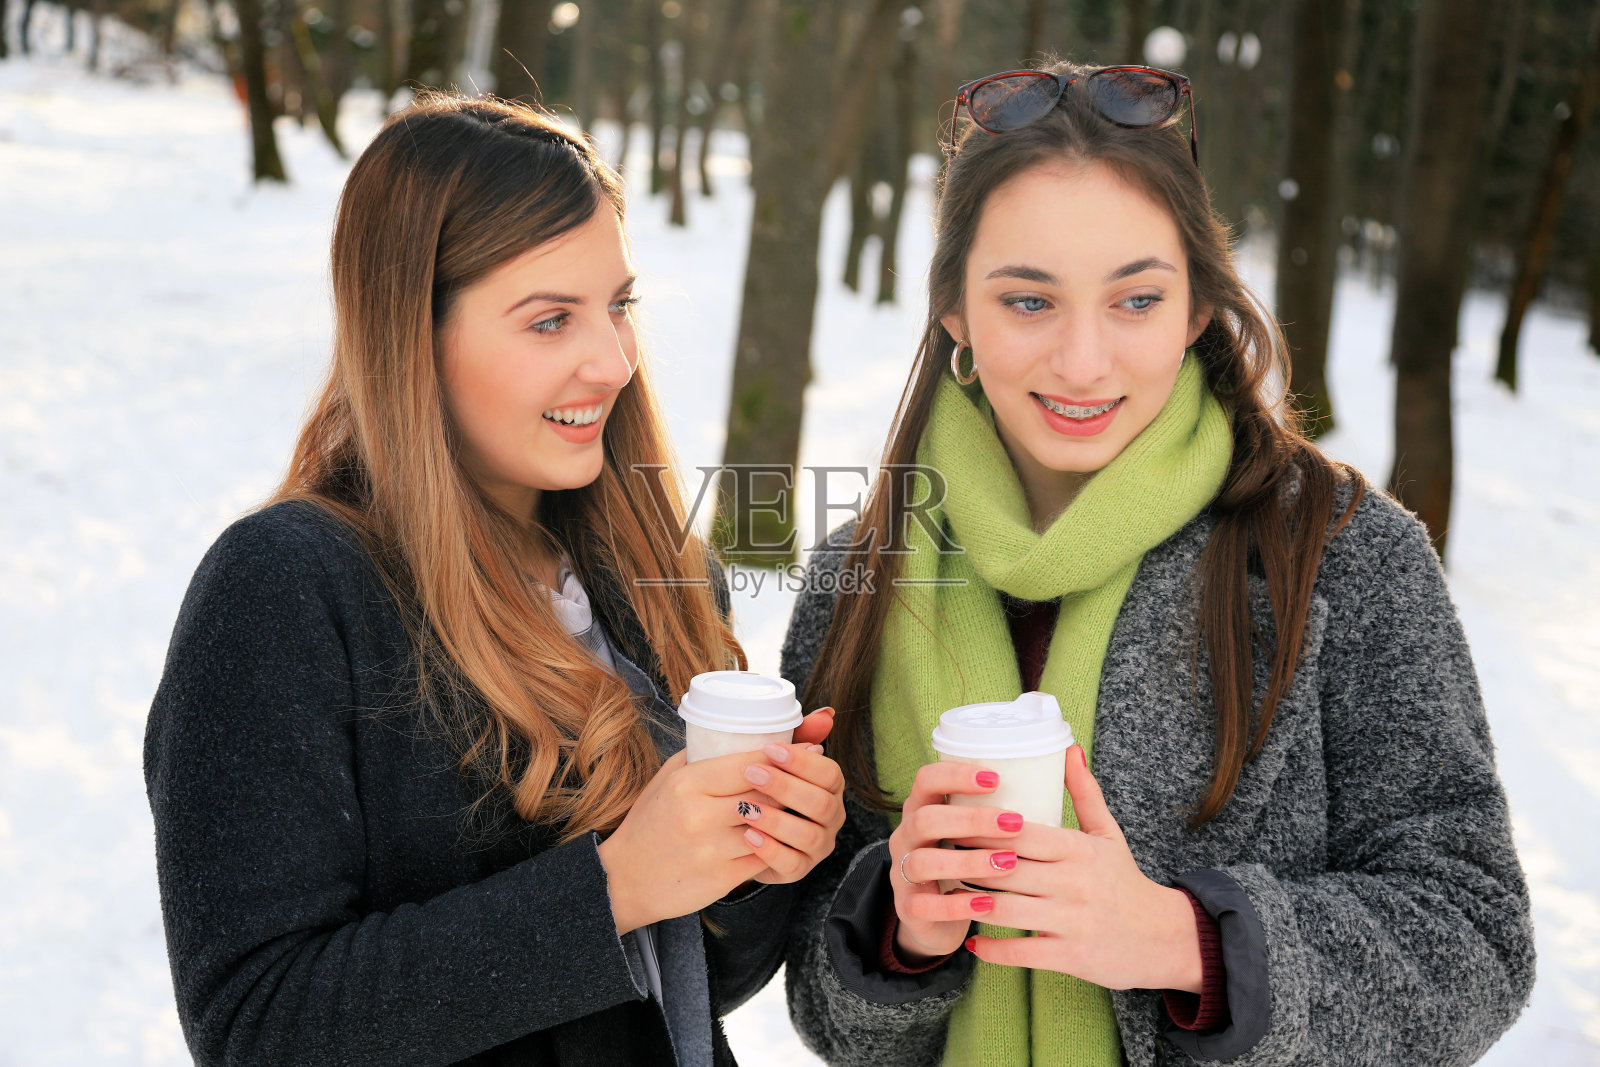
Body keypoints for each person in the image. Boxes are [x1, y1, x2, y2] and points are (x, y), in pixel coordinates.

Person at [778, 61, 1534, 1066]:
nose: (1084, 361)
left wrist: (1188, 943)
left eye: (1134, 300)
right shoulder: (861, 575)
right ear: (955, 314)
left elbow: (1475, 937)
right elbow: (821, 1000)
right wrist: (900, 931)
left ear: (1194, 308)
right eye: (1028, 302)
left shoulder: (1341, 553)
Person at [144, 93, 845, 1067]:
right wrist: (614, 888)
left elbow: (678, 984)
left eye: (618, 305)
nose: (613, 359)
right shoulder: (288, 589)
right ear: (412, 337)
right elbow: (258, 1023)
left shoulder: (659, 579)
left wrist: (756, 861)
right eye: (550, 319)